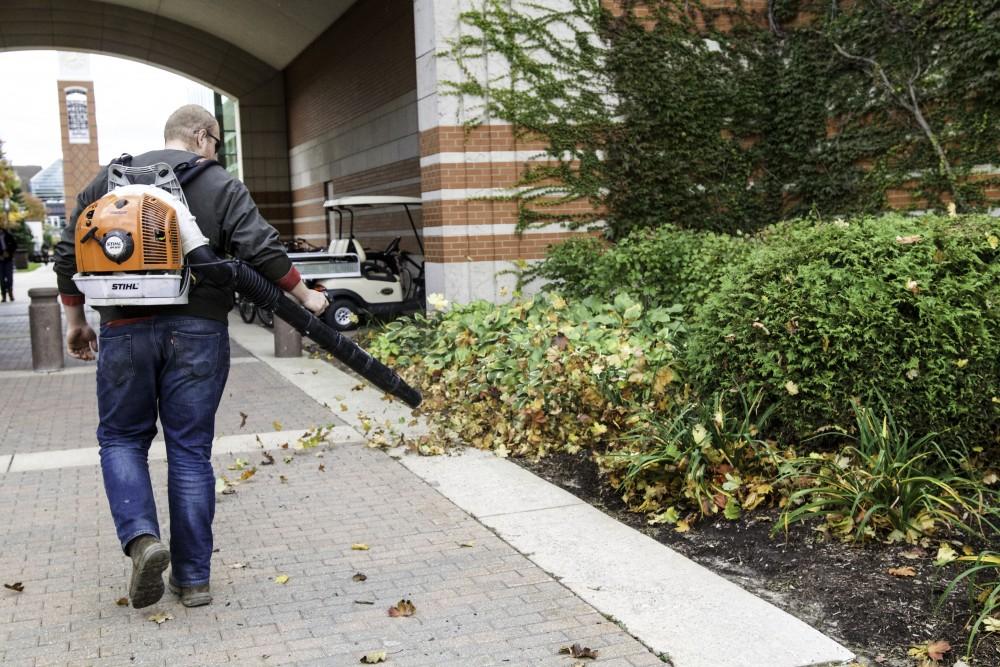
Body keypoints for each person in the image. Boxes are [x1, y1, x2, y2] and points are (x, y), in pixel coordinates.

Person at [53, 105, 328, 609]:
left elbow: (68, 256)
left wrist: (75, 321)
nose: (217, 151)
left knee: (121, 438)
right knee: (189, 450)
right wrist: (306, 297)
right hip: (198, 331)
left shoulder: (105, 184)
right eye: (217, 142)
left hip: (123, 330)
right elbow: (261, 249)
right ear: (202, 136)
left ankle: (142, 540)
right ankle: (194, 579)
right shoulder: (219, 184)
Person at [0, 226, 17, 302]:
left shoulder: (8, 235)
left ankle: (10, 293)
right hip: (0, 261)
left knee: (9, 278)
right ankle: (3, 295)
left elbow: (14, 245)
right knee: (2, 279)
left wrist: (9, 253)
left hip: (8, 259)